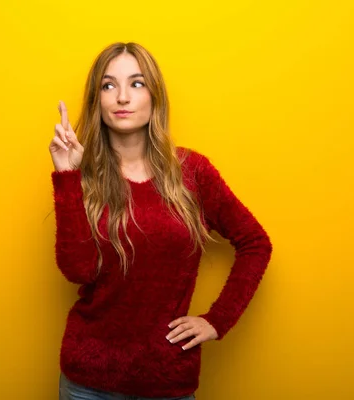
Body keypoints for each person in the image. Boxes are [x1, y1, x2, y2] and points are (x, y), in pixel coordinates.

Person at [48, 42, 273, 400]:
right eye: (108, 85)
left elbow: (255, 243)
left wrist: (217, 320)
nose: (122, 96)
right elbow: (78, 270)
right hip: (88, 383)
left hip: (167, 381)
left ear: (155, 97)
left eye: (136, 84)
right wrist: (68, 177)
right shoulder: (81, 175)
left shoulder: (193, 172)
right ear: (97, 101)